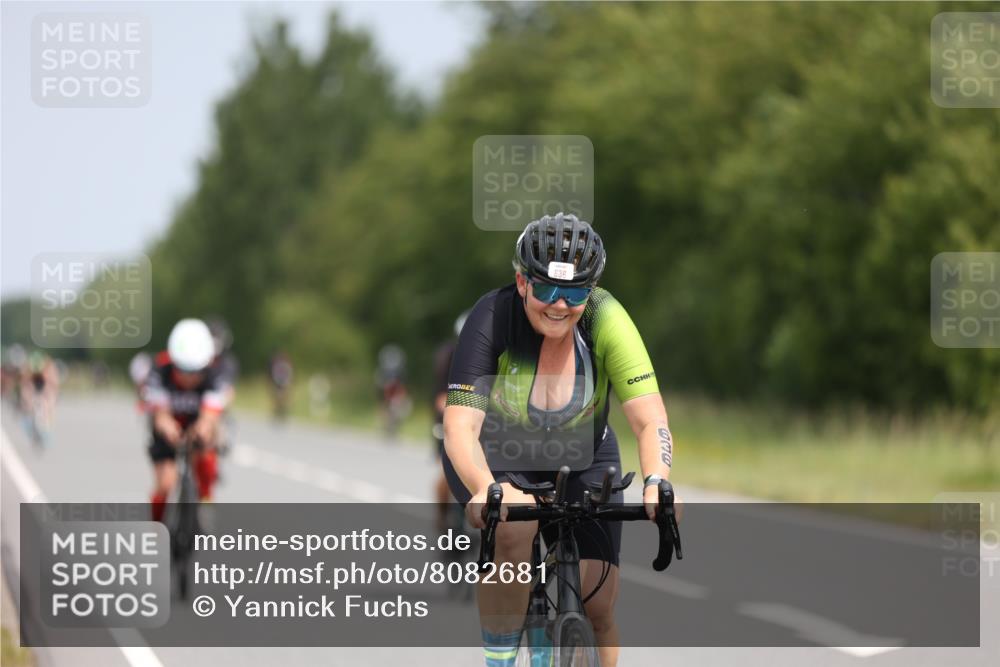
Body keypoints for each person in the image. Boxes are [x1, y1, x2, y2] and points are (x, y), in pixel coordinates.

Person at [442, 213, 677, 667]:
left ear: (592, 290)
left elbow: (651, 420)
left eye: (574, 293)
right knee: (514, 529)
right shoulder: (493, 316)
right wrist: (484, 488)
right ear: (522, 281)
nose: (560, 305)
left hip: (585, 452)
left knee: (599, 605)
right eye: (547, 289)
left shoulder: (605, 316)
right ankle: (500, 659)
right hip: (499, 453)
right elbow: (460, 428)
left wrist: (657, 481)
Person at [144, 319, 228, 522]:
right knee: (165, 483)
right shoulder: (159, 368)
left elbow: (210, 414)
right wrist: (167, 426)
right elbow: (160, 414)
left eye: (196, 372)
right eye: (183, 370)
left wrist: (202, 428)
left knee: (206, 448)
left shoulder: (215, 372)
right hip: (167, 425)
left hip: (196, 423)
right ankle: (156, 527)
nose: (189, 378)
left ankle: (206, 497)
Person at [432, 312, 469, 532]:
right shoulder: (447, 357)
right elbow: (440, 396)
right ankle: (441, 516)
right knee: (446, 473)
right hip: (449, 417)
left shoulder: (495, 355)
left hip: (480, 422)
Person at [375, 343, 411, 438]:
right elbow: (380, 389)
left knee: (401, 409)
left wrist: (401, 398)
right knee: (384, 408)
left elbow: (403, 387)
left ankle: (394, 425)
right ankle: (386, 424)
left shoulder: (401, 372)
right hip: (386, 393)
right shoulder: (381, 372)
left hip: (396, 393)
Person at [268, 351, 293, 421]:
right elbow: (275, 374)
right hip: (279, 383)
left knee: (282, 398)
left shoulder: (284, 365)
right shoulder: (281, 365)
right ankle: (279, 411)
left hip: (283, 383)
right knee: (279, 398)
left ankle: (282, 411)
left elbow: (288, 374)